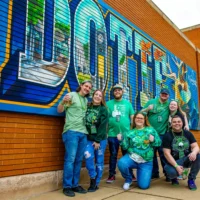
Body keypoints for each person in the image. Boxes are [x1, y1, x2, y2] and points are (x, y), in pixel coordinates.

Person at [57, 80, 92, 197]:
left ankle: (75, 184)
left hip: (83, 133)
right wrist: (63, 101)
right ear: (81, 86)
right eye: (86, 86)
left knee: (78, 160)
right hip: (71, 131)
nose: (87, 88)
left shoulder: (86, 100)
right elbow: (60, 110)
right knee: (70, 159)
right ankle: (67, 186)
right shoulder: (72, 95)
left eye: (89, 88)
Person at [117, 112, 161, 190]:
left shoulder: (151, 130)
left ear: (145, 120)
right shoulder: (130, 132)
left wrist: (153, 140)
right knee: (122, 163)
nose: (139, 119)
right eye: (137, 118)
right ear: (134, 119)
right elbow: (125, 147)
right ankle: (128, 179)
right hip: (132, 158)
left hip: (146, 162)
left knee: (143, 186)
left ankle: (141, 174)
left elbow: (159, 143)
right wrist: (121, 140)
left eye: (141, 118)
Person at [106, 84, 135, 183]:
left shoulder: (128, 104)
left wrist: (131, 132)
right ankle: (111, 175)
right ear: (113, 92)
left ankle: (130, 174)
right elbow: (105, 119)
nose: (117, 92)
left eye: (119, 90)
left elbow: (132, 118)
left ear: (122, 92)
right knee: (113, 155)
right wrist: (105, 133)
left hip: (125, 136)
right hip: (112, 134)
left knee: (127, 155)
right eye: (115, 90)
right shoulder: (108, 104)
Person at [163, 115, 200, 190]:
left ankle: (191, 179)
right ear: (171, 124)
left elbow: (196, 147)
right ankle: (174, 178)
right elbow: (166, 153)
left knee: (198, 155)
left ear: (182, 123)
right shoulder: (167, 135)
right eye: (174, 122)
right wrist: (176, 166)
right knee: (170, 171)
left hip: (186, 158)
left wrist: (194, 152)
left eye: (179, 121)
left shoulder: (188, 133)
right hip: (174, 162)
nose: (177, 123)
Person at [142, 88, 170, 181]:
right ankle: (155, 173)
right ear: (160, 94)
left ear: (168, 96)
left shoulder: (169, 104)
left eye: (166, 94)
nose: (164, 95)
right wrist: (147, 108)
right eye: (163, 93)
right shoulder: (151, 102)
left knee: (163, 154)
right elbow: (141, 113)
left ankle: (167, 174)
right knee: (152, 154)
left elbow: (179, 113)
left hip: (162, 134)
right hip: (151, 134)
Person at [84, 89, 109, 192]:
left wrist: (98, 140)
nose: (98, 96)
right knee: (87, 155)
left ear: (102, 98)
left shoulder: (103, 109)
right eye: (96, 94)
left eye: (100, 95)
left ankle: (95, 183)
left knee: (99, 161)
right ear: (93, 95)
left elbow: (103, 126)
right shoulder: (87, 107)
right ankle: (93, 177)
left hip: (100, 139)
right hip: (89, 138)